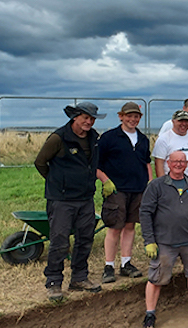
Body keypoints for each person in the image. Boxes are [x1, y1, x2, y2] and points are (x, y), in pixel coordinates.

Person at [34, 102, 106, 301]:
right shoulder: (58, 138)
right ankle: (54, 282)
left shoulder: (94, 138)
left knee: (85, 239)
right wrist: (57, 183)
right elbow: (40, 162)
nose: (89, 122)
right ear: (75, 117)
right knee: (59, 241)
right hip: (62, 200)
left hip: (85, 198)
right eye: (85, 117)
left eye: (92, 119)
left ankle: (79, 278)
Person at [139, 151, 188, 328]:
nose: (179, 164)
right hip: (164, 242)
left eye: (182, 161)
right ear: (168, 164)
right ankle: (149, 315)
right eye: (175, 161)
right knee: (156, 278)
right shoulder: (157, 185)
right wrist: (149, 241)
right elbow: (145, 213)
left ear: (187, 164)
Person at [96, 102, 152, 283]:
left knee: (130, 226)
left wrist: (150, 182)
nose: (132, 119)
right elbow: (95, 164)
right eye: (129, 116)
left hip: (138, 189)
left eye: (136, 117)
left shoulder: (143, 139)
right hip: (117, 190)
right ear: (121, 116)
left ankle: (126, 263)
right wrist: (106, 181)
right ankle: (109, 266)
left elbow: (146, 162)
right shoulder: (109, 137)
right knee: (114, 227)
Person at [152, 110, 188, 195]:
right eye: (180, 121)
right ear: (173, 121)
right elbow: (159, 164)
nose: (183, 124)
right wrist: (163, 185)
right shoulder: (164, 139)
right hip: (171, 184)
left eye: (186, 121)